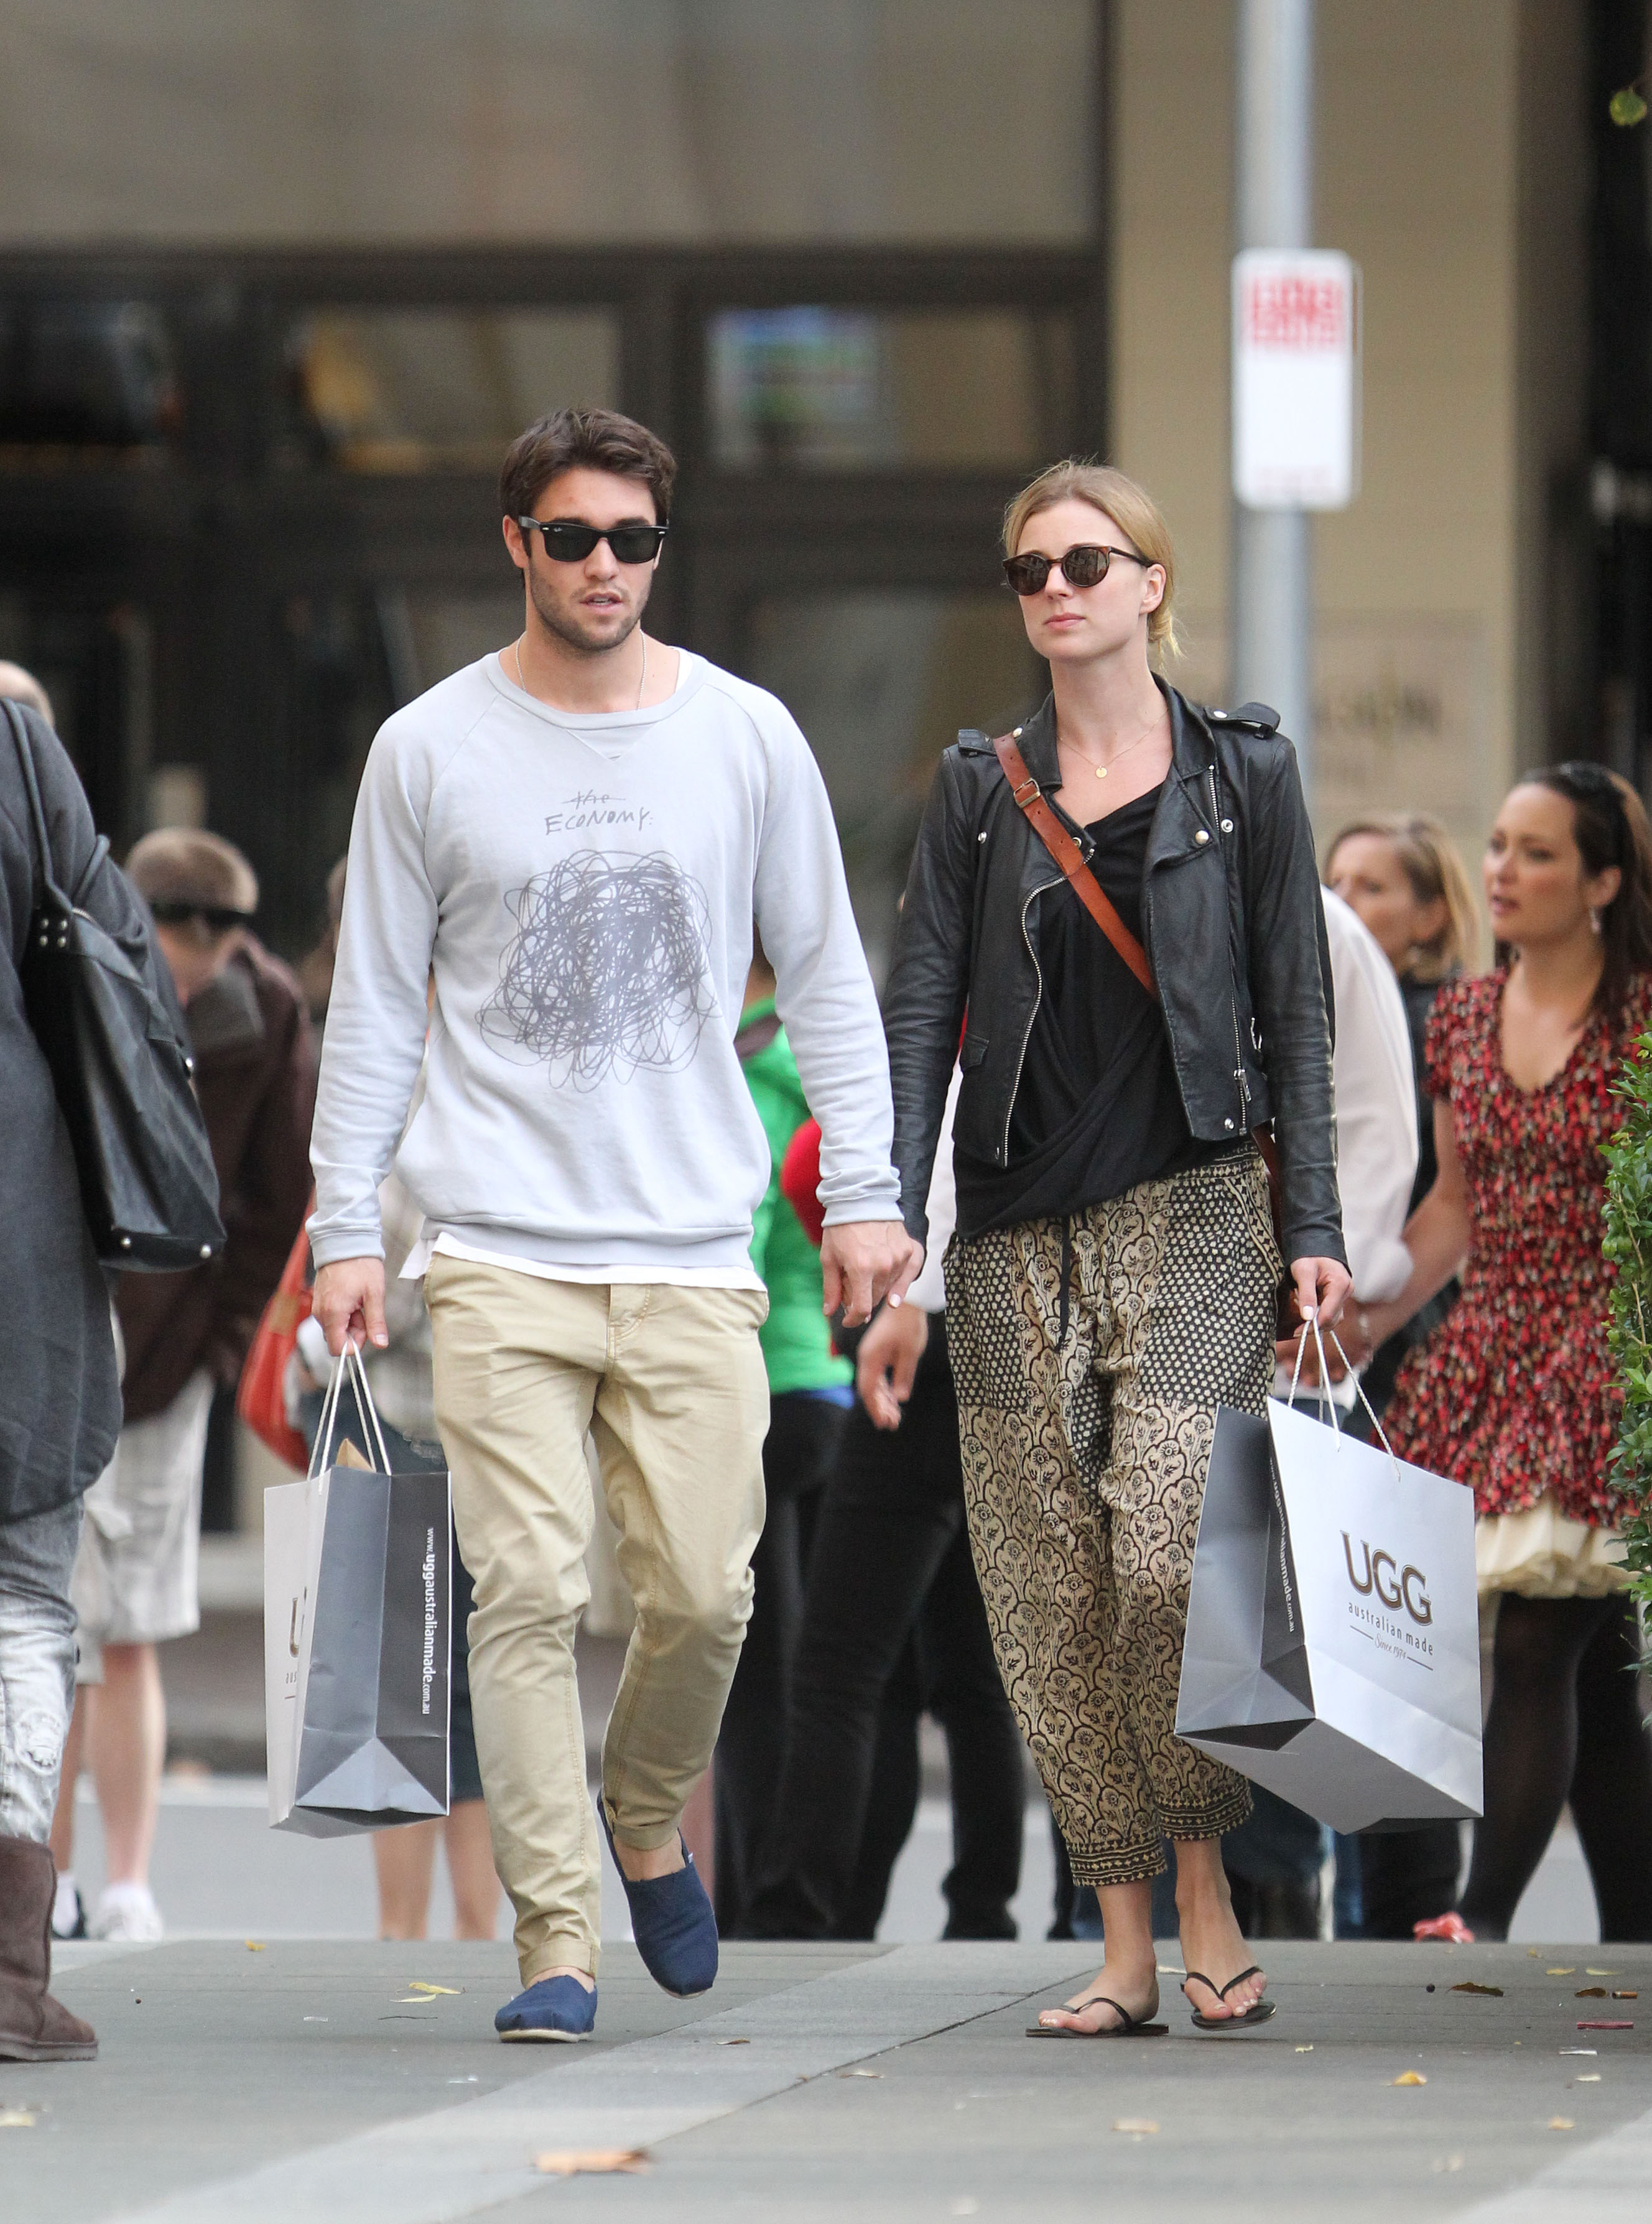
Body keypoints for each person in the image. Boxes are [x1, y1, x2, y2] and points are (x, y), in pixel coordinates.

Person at [306, 407, 917, 2042]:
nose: (603, 567)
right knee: (517, 1593)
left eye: (632, 541)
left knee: (708, 1599)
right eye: (572, 537)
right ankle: (556, 1940)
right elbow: (374, 1005)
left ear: (661, 548)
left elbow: (830, 974)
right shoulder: (428, 747)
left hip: (693, 1252)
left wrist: (867, 1192)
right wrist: (345, 1225)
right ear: (516, 543)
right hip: (496, 1245)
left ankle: (644, 1815)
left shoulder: (746, 735)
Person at [883, 459, 1349, 2035]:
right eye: (1028, 570)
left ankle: (1206, 1880)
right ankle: (1128, 1942)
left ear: (1150, 584)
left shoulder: (1245, 776)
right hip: (1012, 1223)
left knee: (1162, 1560)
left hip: (1195, 1202)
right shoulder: (977, 785)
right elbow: (922, 1007)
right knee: (1047, 1593)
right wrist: (892, 1209)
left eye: (1084, 563)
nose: (1054, 590)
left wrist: (1311, 1226)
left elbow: (1293, 1008)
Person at [1356, 765, 1652, 1945]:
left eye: (1537, 852)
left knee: (1535, 1638)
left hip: (1613, 1360)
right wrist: (1361, 1323)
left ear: (1604, 881)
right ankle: (1636, 1935)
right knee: (1592, 1681)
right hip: (1493, 1352)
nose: (1504, 872)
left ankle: (1478, 1913)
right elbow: (1453, 1213)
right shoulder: (1464, 1019)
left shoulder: (1643, 1020)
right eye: (1497, 847)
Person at [50, 830, 315, 1943]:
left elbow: (284, 1190)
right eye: (176, 947)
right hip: (65, 1330)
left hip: (171, 1352)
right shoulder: (79, 971)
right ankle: (49, 1876)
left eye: (211, 952)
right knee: (49, 1627)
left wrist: (221, 1343)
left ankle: (127, 1880)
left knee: (134, 1627)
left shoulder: (269, 1010)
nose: (192, 972)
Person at [740, 1070, 1028, 1943]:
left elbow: (809, 1165)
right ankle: (983, 1911)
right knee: (966, 1666)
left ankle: (800, 1913)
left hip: (912, 1334)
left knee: (840, 1667)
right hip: (1000, 1338)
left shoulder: (924, 1028)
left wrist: (885, 1294)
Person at [2, 690, 170, 2062]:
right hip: (18, 1235)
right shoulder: (15, 748)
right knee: (20, 1600)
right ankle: (6, 1974)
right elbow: (126, 966)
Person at [1215, 886, 1418, 1942]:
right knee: (1137, 1624)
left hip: (1283, 1336)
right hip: (1136, 1320)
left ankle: (1281, 1901)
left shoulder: (1316, 921)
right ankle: (1120, 1914)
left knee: (1273, 1643)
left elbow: (1378, 1125)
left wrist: (1339, 1282)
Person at [1322, 810, 1478, 1938]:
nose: (1346, 904)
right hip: (1375, 1346)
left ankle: (1415, 1904)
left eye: (1374, 887)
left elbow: (1445, 1207)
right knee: (1374, 1632)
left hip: (1404, 1354)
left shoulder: (1431, 1023)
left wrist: (1371, 1321)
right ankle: (1395, 1902)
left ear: (1429, 915)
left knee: (1391, 1632)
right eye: (1336, 880)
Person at [710, 943, 856, 1930]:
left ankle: (764, 1898)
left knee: (754, 1671)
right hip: (828, 1386)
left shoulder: (751, 1070)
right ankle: (784, 1892)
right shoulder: (820, 1067)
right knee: (810, 1661)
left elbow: (747, 1230)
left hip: (761, 1389)